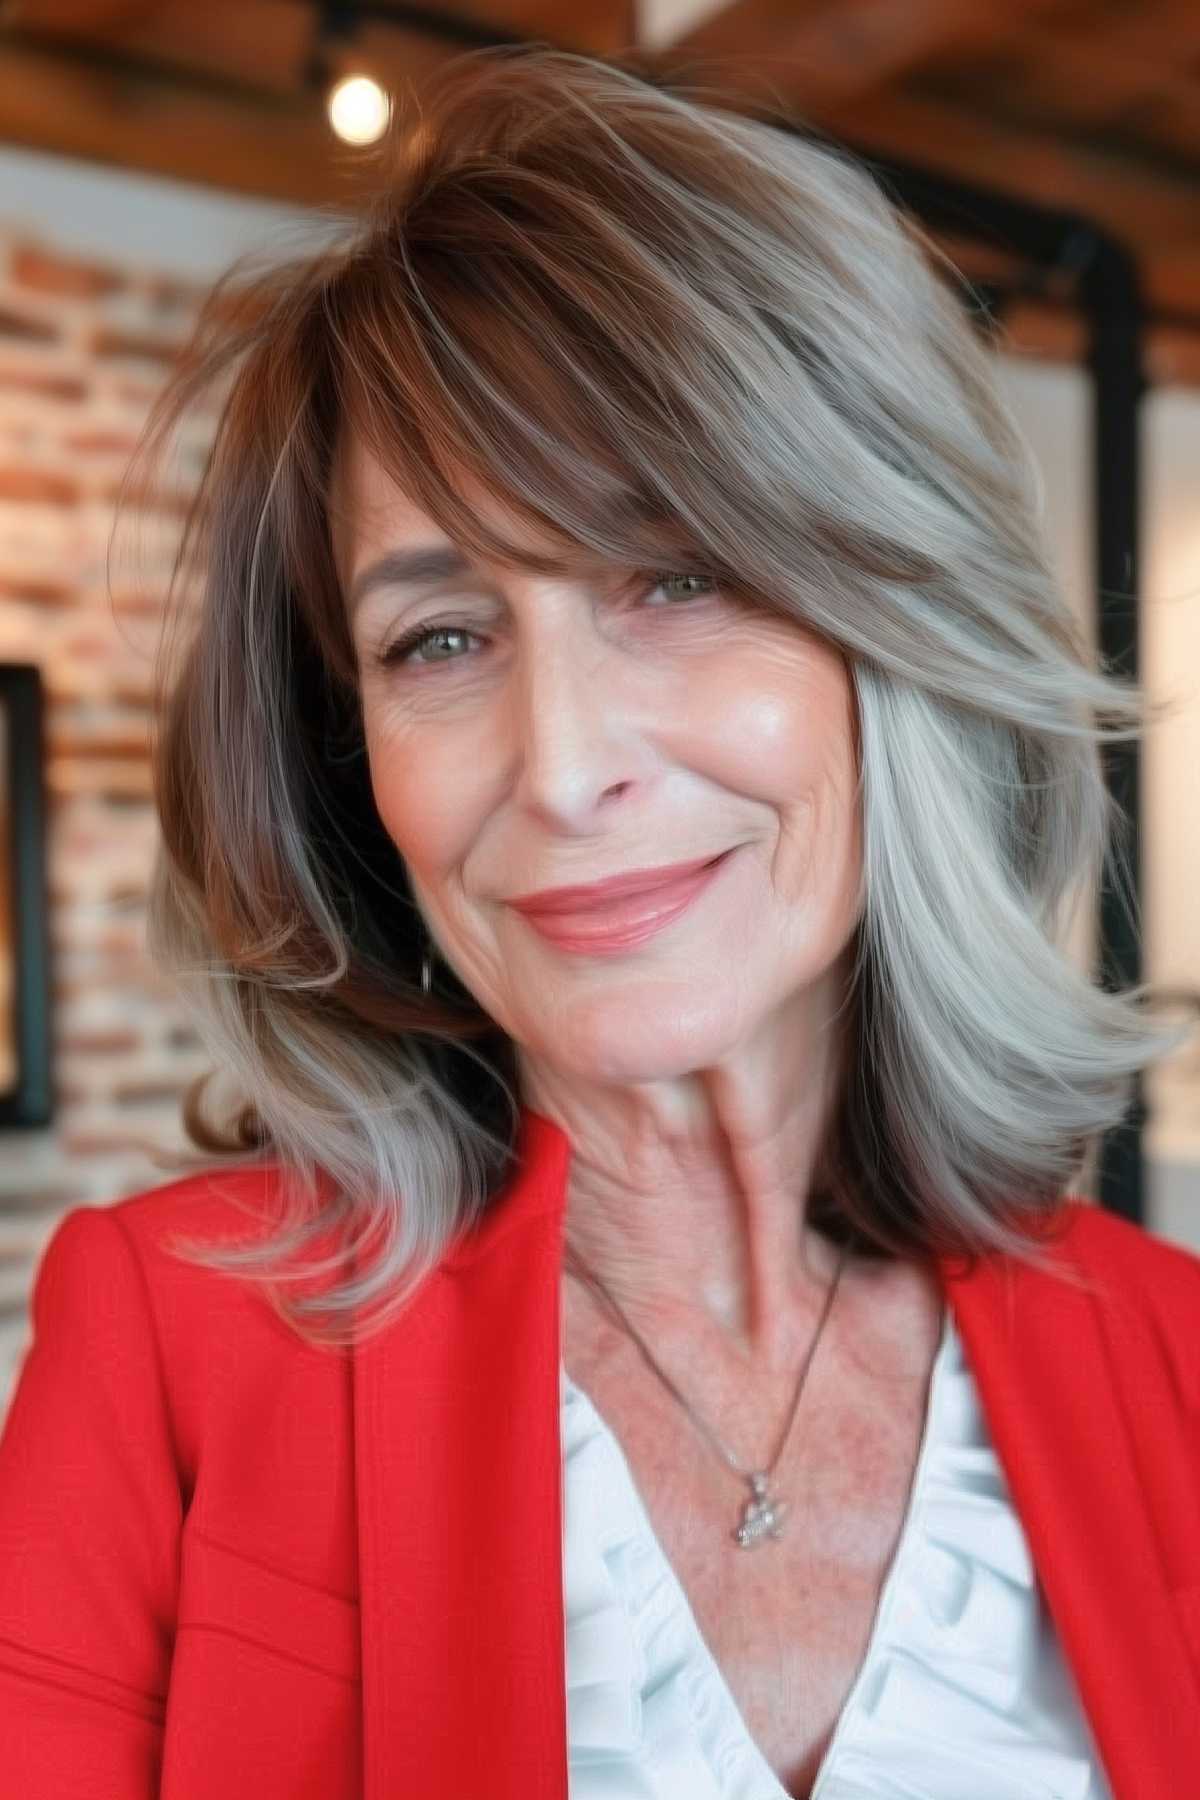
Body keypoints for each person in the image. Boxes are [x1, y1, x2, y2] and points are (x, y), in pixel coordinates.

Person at [1, 43, 1198, 1800]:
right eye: (440, 639)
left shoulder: (1174, 1361)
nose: (559, 769)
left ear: (902, 634)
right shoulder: (168, 1342)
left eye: (678, 576)